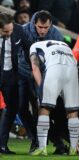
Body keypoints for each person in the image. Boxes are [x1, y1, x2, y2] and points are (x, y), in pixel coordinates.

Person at [18, 10, 64, 153]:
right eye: (40, 27)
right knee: (21, 108)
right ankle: (37, 139)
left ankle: (54, 142)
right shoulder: (23, 31)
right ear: (34, 24)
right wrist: (33, 73)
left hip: (46, 76)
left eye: (46, 27)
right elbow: (19, 57)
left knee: (43, 110)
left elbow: (60, 58)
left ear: (50, 25)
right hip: (23, 74)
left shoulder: (56, 34)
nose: (43, 30)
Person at [29, 40, 79, 156]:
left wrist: (42, 88)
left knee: (44, 109)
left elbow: (35, 68)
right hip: (72, 69)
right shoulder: (65, 44)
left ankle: (42, 148)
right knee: (72, 110)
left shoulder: (34, 46)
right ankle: (73, 149)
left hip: (54, 68)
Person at [0, 13, 31, 154]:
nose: (10, 33)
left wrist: (32, 70)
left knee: (12, 109)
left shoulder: (18, 30)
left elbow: (28, 49)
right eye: (6, 32)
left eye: (11, 30)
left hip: (11, 76)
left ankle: (2, 146)